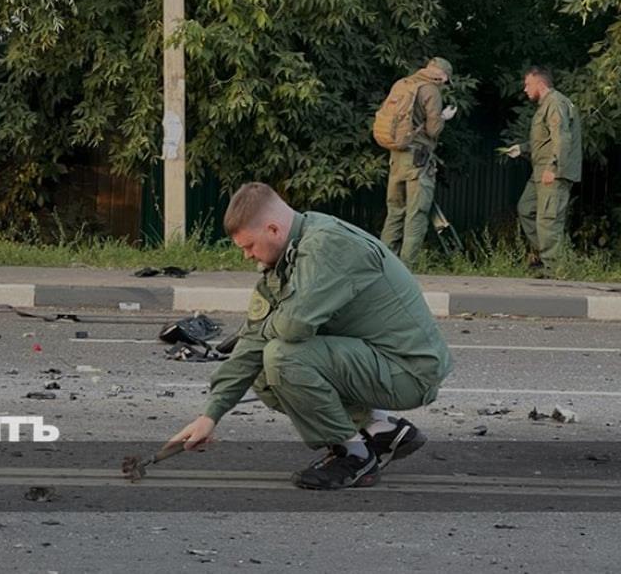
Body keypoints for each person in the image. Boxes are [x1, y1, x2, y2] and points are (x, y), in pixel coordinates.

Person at [169, 182, 452, 490]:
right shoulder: (288, 256)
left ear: (273, 229)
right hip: (377, 360)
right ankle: (379, 429)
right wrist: (210, 415)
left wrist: (261, 331)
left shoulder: (327, 246)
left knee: (282, 356)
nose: (247, 256)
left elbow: (293, 326)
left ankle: (354, 457)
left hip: (409, 370)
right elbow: (252, 342)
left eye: (249, 246)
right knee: (262, 369)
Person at [379, 57, 458, 267]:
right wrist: (443, 117)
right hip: (418, 160)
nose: (445, 84)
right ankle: (407, 268)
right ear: (442, 75)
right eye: (446, 80)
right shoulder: (431, 91)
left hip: (396, 156)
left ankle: (384, 265)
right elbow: (433, 130)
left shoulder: (402, 84)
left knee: (395, 212)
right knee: (417, 213)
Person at [503, 67, 582, 274]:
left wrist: (553, 168)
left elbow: (562, 138)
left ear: (540, 84)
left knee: (548, 219)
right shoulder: (546, 105)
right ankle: (544, 256)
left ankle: (554, 270)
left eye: (528, 84)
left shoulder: (555, 103)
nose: (525, 89)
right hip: (540, 171)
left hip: (552, 171)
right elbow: (546, 140)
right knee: (526, 208)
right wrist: (522, 148)